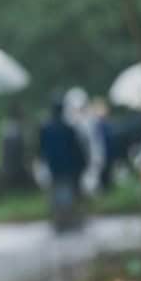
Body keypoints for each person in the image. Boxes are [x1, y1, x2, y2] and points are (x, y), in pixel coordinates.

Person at [39, 95, 87, 230]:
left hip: (54, 168)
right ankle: (68, 220)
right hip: (68, 169)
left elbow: (41, 150)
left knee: (57, 196)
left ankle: (60, 221)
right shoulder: (68, 128)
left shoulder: (46, 128)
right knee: (67, 195)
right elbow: (77, 150)